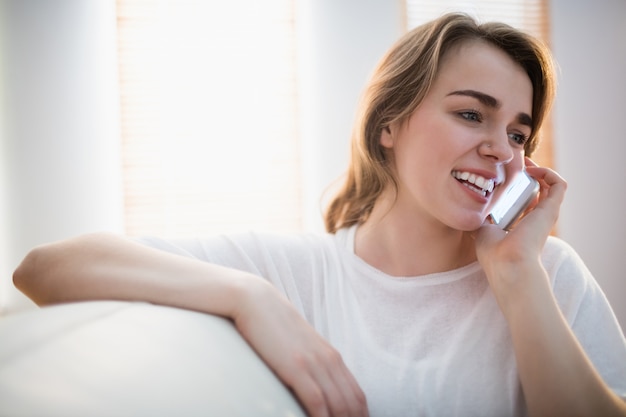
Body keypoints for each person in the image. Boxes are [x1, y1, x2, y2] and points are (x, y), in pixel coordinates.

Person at [13, 12, 626, 417]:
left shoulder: (547, 274)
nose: (501, 148)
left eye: (519, 134)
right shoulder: (297, 271)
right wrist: (250, 296)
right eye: (471, 114)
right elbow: (45, 268)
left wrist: (519, 279)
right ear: (390, 125)